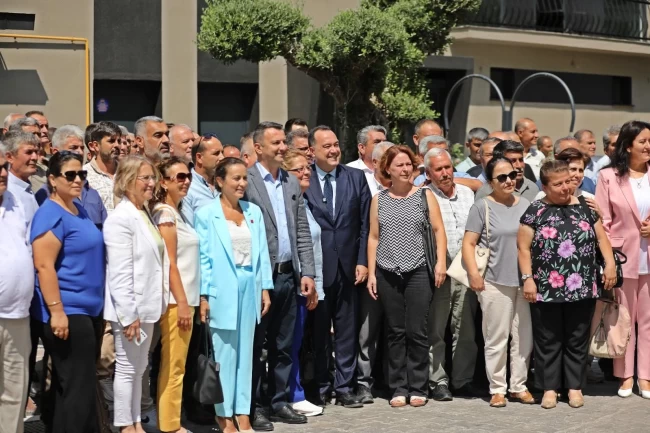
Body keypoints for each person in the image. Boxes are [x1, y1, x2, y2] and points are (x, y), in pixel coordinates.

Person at [519, 160, 617, 409]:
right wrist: (527, 279)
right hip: (545, 287)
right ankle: (549, 388)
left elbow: (601, 239)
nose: (565, 188)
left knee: (577, 337)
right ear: (545, 186)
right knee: (548, 339)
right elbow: (523, 248)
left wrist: (610, 264)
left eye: (567, 182)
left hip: (582, 285)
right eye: (558, 184)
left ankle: (574, 387)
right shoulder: (535, 210)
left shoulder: (586, 207)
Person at [194, 157, 274, 433]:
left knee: (246, 357)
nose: (241, 184)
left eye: (244, 178)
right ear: (220, 181)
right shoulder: (206, 214)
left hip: (250, 286)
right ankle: (224, 415)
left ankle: (243, 413)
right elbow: (203, 259)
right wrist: (203, 296)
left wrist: (265, 287)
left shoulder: (253, 211)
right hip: (222, 289)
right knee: (225, 357)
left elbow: (262, 253)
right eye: (235, 178)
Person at [245, 122, 316, 429]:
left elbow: (301, 229)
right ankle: (255, 406)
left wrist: (307, 271)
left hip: (288, 275)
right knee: (257, 346)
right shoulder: (246, 180)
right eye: (275, 143)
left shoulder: (290, 181)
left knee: (284, 344)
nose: (283, 147)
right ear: (258, 148)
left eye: (283, 142)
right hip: (260, 278)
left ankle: (279, 401)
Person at [366, 145, 447, 408]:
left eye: (408, 164)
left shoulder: (425, 195)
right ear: (387, 169)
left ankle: (418, 386)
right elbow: (373, 237)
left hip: (418, 270)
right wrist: (371, 273)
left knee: (417, 330)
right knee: (395, 331)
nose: (405, 169)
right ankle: (398, 387)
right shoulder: (378, 199)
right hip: (387, 270)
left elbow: (438, 230)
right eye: (399, 165)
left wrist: (441, 263)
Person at [30, 151, 106, 431]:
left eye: (81, 174)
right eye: (70, 175)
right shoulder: (50, 214)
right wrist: (57, 311)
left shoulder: (77, 208)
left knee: (74, 388)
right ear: (52, 179)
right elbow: (44, 265)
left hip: (89, 309)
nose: (78, 180)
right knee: (78, 389)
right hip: (68, 310)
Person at [304, 125, 371, 409]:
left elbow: (366, 225)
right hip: (318, 269)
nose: (334, 151)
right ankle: (321, 385)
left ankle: (344, 387)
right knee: (318, 332)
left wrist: (362, 261)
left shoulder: (355, 177)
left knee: (346, 331)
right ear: (312, 151)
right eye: (326, 146)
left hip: (348, 267)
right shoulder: (303, 179)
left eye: (335, 145)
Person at [103, 155, 169, 432]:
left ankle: (136, 423)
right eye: (145, 178)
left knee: (140, 368)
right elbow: (120, 272)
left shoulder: (143, 213)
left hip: (149, 306)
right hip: (131, 309)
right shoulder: (120, 219)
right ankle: (124, 424)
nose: (152, 183)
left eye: (153, 177)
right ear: (128, 181)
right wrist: (129, 314)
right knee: (127, 368)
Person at [462, 157, 534, 408]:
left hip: (523, 280)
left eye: (512, 175)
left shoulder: (525, 204)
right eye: (501, 177)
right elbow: (469, 243)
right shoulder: (482, 206)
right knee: (496, 337)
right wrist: (474, 274)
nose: (508, 181)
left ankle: (519, 386)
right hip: (493, 280)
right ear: (490, 182)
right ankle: (497, 388)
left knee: (523, 337)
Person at [595, 120, 650, 399]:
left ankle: (646, 376)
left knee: (648, 321)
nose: (648, 146)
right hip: (622, 257)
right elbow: (602, 222)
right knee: (623, 319)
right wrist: (608, 261)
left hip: (649, 259)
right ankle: (625, 375)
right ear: (628, 146)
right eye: (643, 141)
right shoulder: (608, 176)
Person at [424, 148, 480, 400]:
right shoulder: (424, 196)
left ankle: (462, 380)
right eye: (439, 169)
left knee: (465, 328)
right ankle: (437, 381)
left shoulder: (467, 193)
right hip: (438, 270)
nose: (445, 173)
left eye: (448, 167)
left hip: (465, 269)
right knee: (436, 329)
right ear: (428, 173)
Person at [151, 157, 200, 433]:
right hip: (176, 301)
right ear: (164, 182)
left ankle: (170, 420)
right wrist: (181, 302)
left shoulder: (177, 213)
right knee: (174, 365)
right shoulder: (166, 215)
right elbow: (170, 262)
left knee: (176, 364)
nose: (186, 181)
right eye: (179, 177)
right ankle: (170, 425)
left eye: (188, 176)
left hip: (186, 298)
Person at [282, 149, 325, 417]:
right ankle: (293, 395)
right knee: (290, 343)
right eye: (298, 169)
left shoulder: (305, 202)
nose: (305, 172)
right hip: (294, 282)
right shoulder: (288, 204)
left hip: (310, 283)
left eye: (307, 168)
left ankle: (296, 391)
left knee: (299, 342)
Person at [0, 150, 34, 433]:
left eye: (3, 167)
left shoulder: (16, 201)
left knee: (14, 393)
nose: (3, 173)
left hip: (18, 314)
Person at [35, 125, 107, 230]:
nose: (80, 152)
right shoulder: (46, 194)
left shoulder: (92, 192)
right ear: (55, 152)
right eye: (73, 148)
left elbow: (106, 229)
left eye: (82, 148)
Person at [181, 133, 224, 226]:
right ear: (199, 158)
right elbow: (190, 228)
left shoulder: (225, 184)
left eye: (222, 152)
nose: (222, 157)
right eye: (216, 153)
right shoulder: (187, 187)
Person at [475, 140, 540, 202]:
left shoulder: (533, 188)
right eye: (513, 161)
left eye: (521, 160)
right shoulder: (485, 192)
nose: (519, 166)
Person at [83, 121, 122, 212]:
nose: (117, 145)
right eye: (111, 141)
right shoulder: (84, 175)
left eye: (119, 141)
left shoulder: (127, 172)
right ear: (95, 146)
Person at [4, 131, 39, 224]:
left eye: (36, 152)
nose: (35, 157)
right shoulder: (7, 193)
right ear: (10, 157)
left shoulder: (26, 187)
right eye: (29, 152)